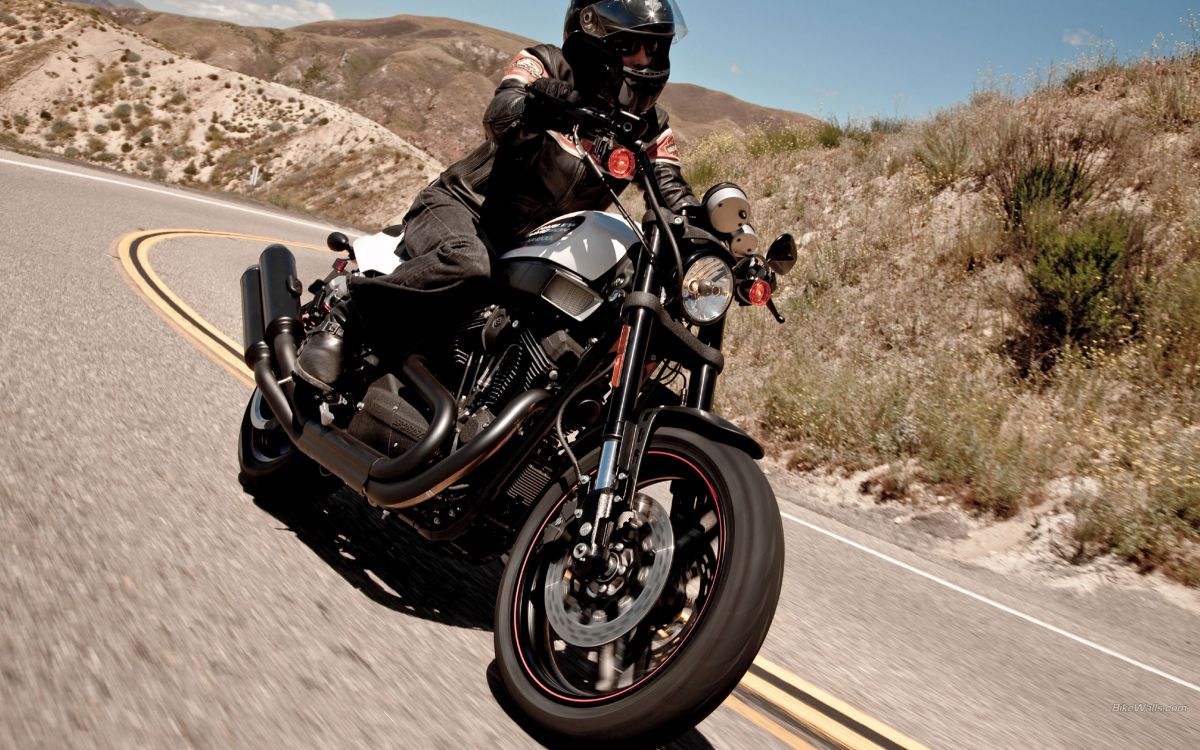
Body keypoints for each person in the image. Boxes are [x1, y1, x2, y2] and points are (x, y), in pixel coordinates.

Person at [295, 0, 699, 392]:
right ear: (594, 38)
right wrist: (542, 107)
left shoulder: (649, 125)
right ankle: (348, 316)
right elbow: (502, 111)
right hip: (463, 209)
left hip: (538, 246)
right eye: (632, 45)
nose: (645, 59)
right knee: (468, 262)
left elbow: (670, 187)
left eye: (655, 46)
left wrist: (710, 228)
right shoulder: (547, 63)